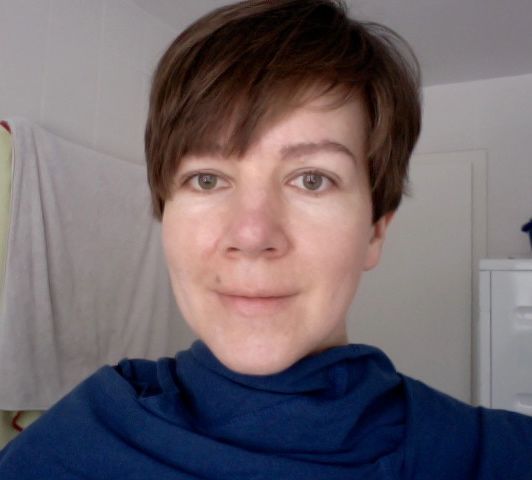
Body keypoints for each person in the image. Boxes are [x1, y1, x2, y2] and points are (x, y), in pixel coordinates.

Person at [1, 0, 531, 478]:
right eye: (207, 179)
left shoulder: (495, 457)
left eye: (312, 179)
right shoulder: (73, 442)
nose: (252, 234)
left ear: (375, 231)